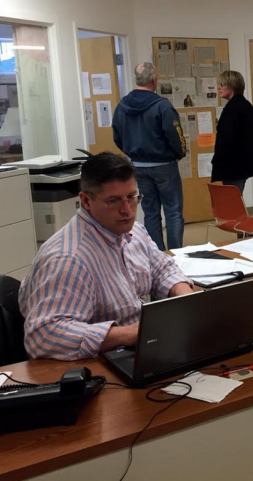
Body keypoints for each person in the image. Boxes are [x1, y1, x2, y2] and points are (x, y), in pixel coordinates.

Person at [18, 153, 193, 361]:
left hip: (138, 349)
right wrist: (131, 334)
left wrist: (187, 299)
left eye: (132, 197)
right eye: (113, 201)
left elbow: (162, 268)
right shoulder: (69, 258)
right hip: (96, 363)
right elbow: (44, 336)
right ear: (86, 201)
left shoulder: (134, 232)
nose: (127, 210)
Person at [113, 62, 187, 250]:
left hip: (138, 167)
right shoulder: (162, 106)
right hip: (164, 166)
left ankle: (156, 254)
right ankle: (175, 255)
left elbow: (117, 136)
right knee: (173, 212)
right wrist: (179, 154)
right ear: (154, 80)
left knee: (150, 212)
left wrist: (131, 153)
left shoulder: (122, 106)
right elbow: (176, 136)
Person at [211, 70, 253, 194]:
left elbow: (229, 139)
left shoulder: (234, 108)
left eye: (223, 84)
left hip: (233, 165)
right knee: (235, 196)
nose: (219, 87)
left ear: (232, 86)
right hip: (240, 164)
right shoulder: (243, 105)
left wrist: (217, 160)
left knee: (232, 200)